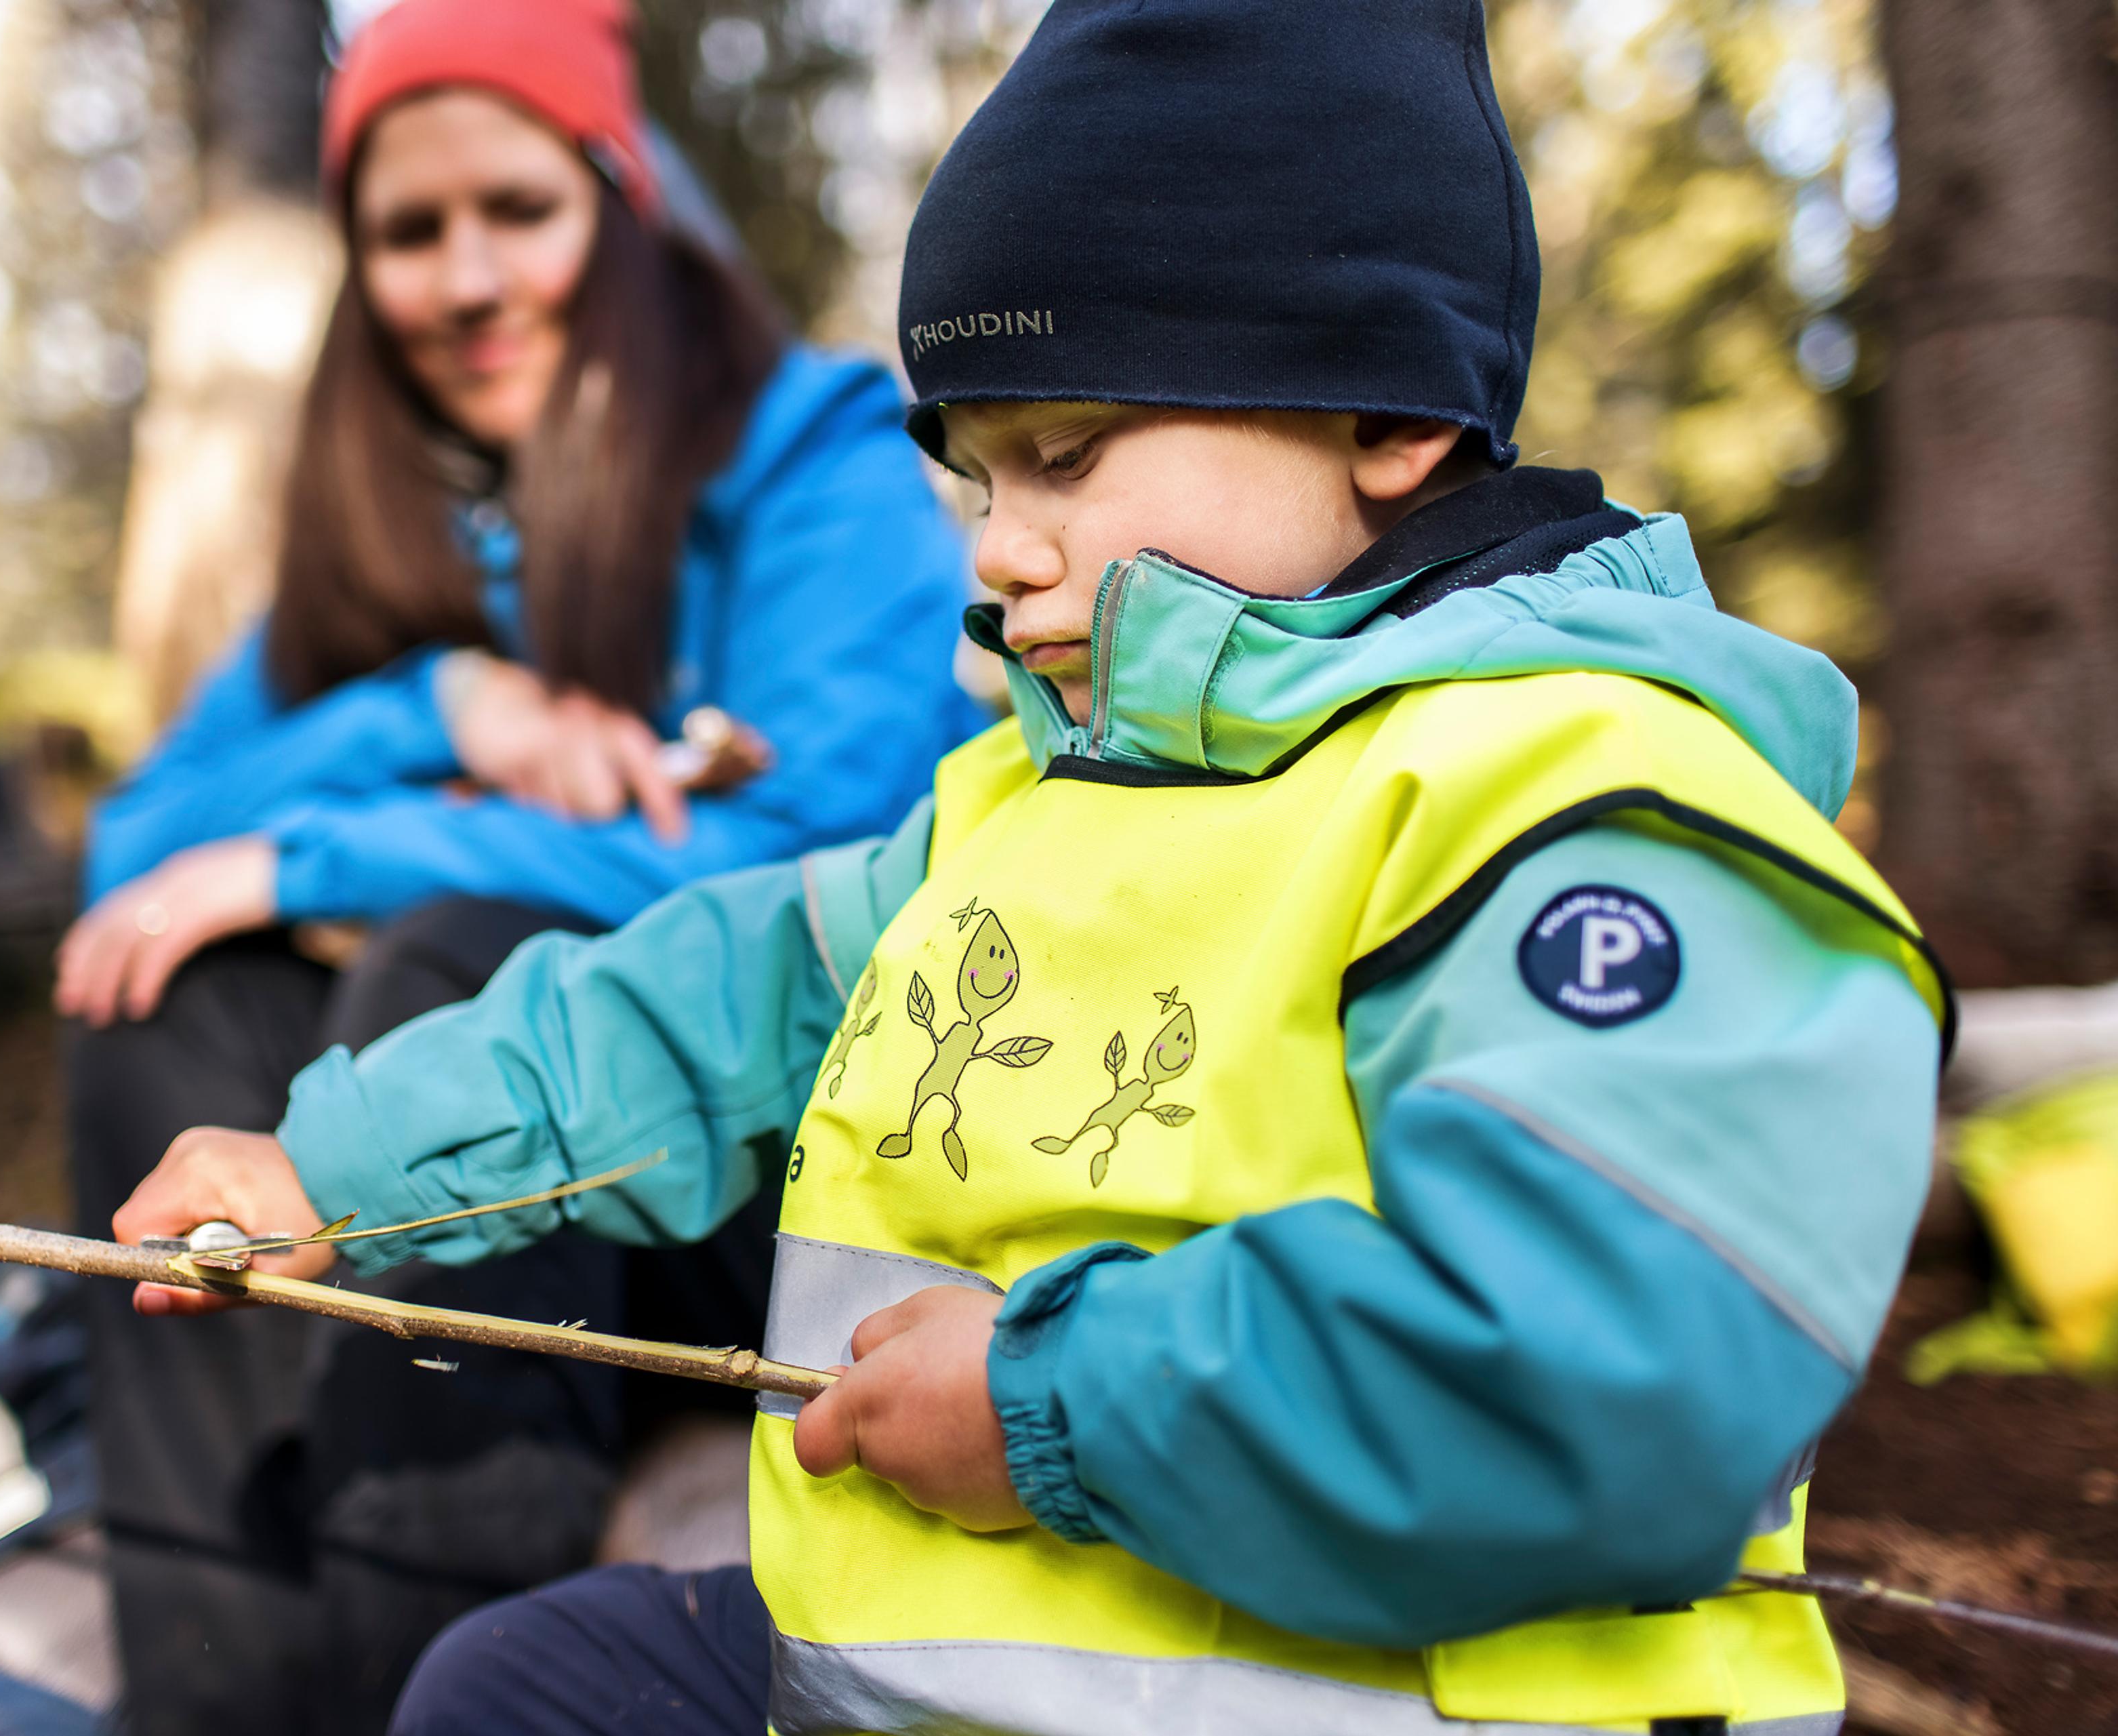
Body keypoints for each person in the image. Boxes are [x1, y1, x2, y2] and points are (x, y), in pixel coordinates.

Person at [114, 2, 1953, 1732]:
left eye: (1066, 456)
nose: (1001, 552)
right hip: (991, 1674)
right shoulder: (1033, 795)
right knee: (520, 1689)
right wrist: (342, 1167)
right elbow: (708, 998)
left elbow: (1617, 1369)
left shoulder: (1592, 805)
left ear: (1391, 419)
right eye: (981, 479)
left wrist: (1052, 1404)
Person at [58, 1, 980, 1730]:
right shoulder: (405, 519)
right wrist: (439, 702)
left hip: (767, 1144)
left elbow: (819, 866)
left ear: (625, 206)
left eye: (520, 210)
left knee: (460, 947)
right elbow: (138, 850)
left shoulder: (809, 458)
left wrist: (332, 850)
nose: (468, 278)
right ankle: (221, 1694)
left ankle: (428, 1664)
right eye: (411, 232)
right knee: (162, 997)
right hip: (492, 1161)